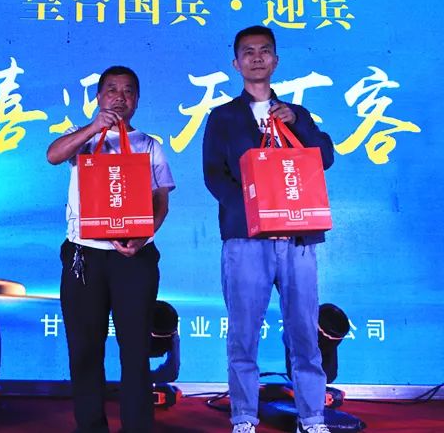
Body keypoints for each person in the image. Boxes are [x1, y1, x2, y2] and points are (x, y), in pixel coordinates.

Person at [202, 26, 334, 433]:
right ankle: (244, 416)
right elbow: (214, 176)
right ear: (236, 63)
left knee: (304, 333)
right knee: (243, 334)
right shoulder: (223, 117)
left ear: (275, 61)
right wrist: (257, 212)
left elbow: (324, 157)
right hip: (246, 238)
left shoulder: (297, 114)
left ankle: (312, 417)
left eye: (264, 51)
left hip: (297, 239)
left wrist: (299, 125)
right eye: (248, 52)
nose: (256, 57)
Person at [47, 65, 175, 433]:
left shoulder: (149, 144)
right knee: (85, 348)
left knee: (135, 349)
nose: (120, 97)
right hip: (84, 255)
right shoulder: (82, 139)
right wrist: (93, 128)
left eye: (128, 91)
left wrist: (142, 237)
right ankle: (91, 426)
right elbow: (53, 155)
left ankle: (137, 427)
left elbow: (161, 202)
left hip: (134, 258)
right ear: (99, 97)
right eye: (112, 90)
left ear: (137, 100)